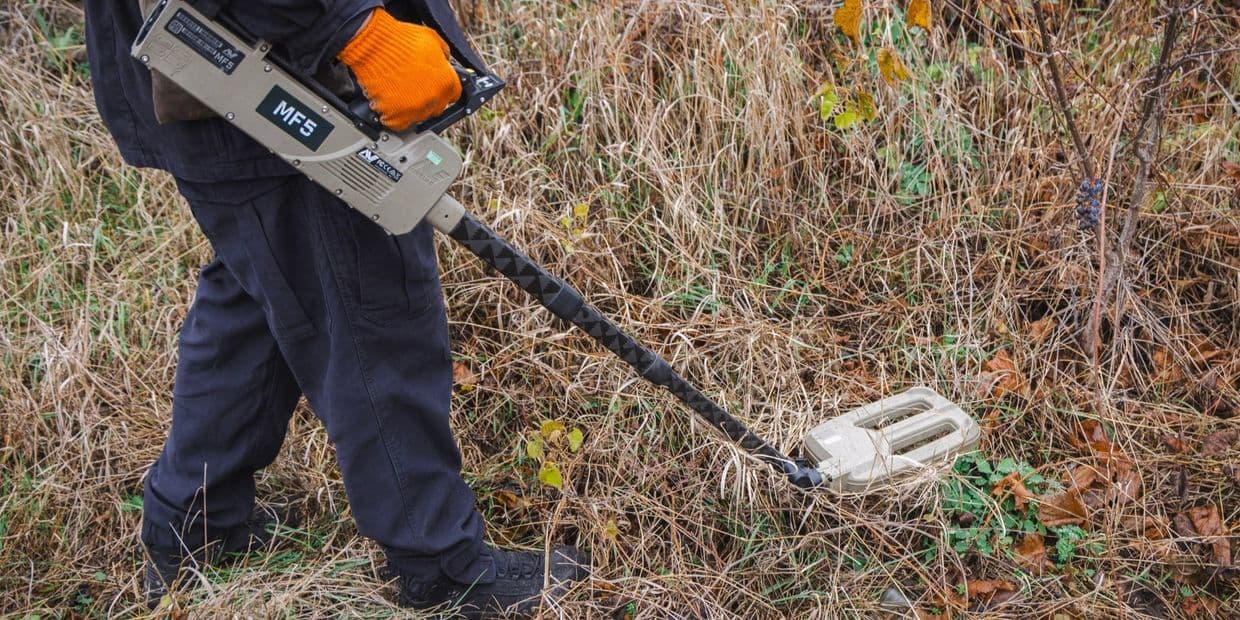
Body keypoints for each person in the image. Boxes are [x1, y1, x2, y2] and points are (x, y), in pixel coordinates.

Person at [82, 0, 587, 615]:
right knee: (373, 313)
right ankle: (442, 569)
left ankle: (193, 523)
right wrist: (349, 28)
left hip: (240, 72)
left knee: (263, 288)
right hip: (272, 70)